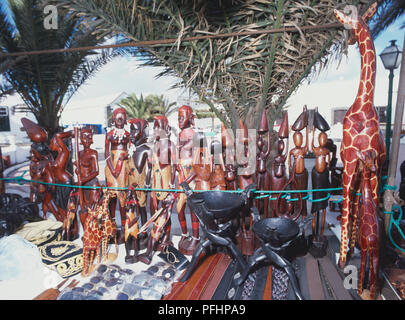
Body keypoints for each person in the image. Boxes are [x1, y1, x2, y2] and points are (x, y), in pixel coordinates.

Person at [176, 105, 200, 255]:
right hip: (181, 176)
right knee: (179, 208)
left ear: (190, 118)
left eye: (181, 117)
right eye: (178, 117)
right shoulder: (179, 135)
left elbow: (198, 164)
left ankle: (196, 237)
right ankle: (184, 234)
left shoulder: (195, 136)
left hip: (190, 178)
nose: (179, 120)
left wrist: (188, 179)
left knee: (192, 210)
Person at [126, 118, 152, 249]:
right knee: (131, 209)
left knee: (142, 209)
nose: (131, 134)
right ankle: (132, 231)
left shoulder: (146, 149)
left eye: (134, 130)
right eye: (130, 130)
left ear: (142, 132)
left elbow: (150, 168)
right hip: (131, 185)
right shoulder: (131, 149)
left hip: (141, 185)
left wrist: (148, 183)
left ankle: (144, 232)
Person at [105, 108, 130, 241]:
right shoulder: (109, 134)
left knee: (123, 198)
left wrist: (122, 159)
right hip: (111, 167)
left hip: (124, 168)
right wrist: (111, 168)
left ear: (125, 119)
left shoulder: (127, 134)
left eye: (122, 119)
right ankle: (112, 228)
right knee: (111, 197)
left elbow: (130, 150)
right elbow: (106, 153)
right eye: (117, 118)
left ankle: (124, 228)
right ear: (113, 119)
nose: (119, 121)